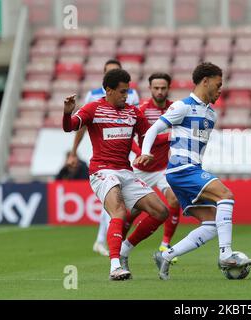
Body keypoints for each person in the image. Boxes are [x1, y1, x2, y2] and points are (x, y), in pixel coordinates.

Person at [137, 62, 251, 280]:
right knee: (226, 196)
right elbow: (154, 129)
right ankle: (226, 255)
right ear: (205, 81)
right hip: (181, 169)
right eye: (218, 85)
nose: (220, 90)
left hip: (191, 170)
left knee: (212, 222)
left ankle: (166, 255)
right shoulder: (182, 106)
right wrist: (145, 152)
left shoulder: (211, 115)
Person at [62, 69, 169, 281]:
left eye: (127, 92)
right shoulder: (93, 108)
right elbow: (70, 127)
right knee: (118, 211)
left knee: (161, 212)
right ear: (108, 90)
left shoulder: (133, 112)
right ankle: (114, 266)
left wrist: (154, 148)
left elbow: (149, 138)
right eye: (121, 92)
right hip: (102, 170)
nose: (125, 96)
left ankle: (125, 249)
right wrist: (67, 112)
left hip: (125, 171)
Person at [71, 59, 140, 257]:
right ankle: (106, 244)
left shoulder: (131, 95)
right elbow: (81, 126)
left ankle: (110, 242)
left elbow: (132, 126)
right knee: (115, 205)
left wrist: (138, 151)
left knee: (126, 207)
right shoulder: (93, 98)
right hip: (104, 161)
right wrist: (74, 152)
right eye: (110, 72)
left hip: (124, 157)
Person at [120, 72, 181, 264]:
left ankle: (165, 244)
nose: (160, 91)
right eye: (156, 88)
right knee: (132, 212)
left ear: (168, 88)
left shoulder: (175, 109)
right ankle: (119, 245)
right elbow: (139, 138)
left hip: (163, 168)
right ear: (150, 89)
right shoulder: (143, 109)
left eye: (163, 88)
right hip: (142, 168)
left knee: (174, 200)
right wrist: (140, 153)